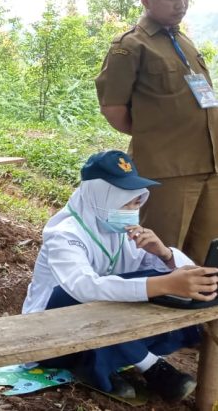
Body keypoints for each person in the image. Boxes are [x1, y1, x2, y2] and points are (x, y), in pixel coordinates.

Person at [22, 150, 218, 403]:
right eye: (125, 202)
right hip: (50, 334)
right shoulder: (64, 233)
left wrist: (164, 254)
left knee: (146, 283)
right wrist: (163, 283)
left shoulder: (118, 227)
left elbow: (158, 274)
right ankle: (152, 367)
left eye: (137, 202)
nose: (133, 210)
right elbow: (83, 287)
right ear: (99, 196)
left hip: (98, 328)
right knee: (85, 294)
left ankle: (94, 365)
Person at [95, 0, 218, 265]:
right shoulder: (131, 46)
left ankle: (201, 312)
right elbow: (113, 109)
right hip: (167, 170)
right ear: (146, 0)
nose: (182, 4)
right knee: (162, 254)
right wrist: (154, 135)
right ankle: (160, 310)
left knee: (205, 254)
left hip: (209, 164)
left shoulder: (183, 41)